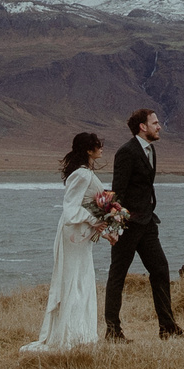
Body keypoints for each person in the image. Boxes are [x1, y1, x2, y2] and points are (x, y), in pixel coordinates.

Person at [107, 107, 184, 341]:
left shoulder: (151, 150)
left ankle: (168, 328)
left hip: (147, 224)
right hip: (128, 225)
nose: (159, 126)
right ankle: (113, 332)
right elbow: (119, 192)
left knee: (160, 270)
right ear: (142, 127)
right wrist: (115, 228)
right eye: (155, 123)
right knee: (118, 275)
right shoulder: (126, 152)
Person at [23, 130, 110, 353]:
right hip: (74, 233)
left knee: (82, 279)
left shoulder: (85, 173)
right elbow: (71, 208)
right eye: (98, 145)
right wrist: (94, 221)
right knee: (74, 279)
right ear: (89, 150)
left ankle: (80, 333)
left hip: (82, 234)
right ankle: (69, 335)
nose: (102, 148)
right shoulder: (81, 174)